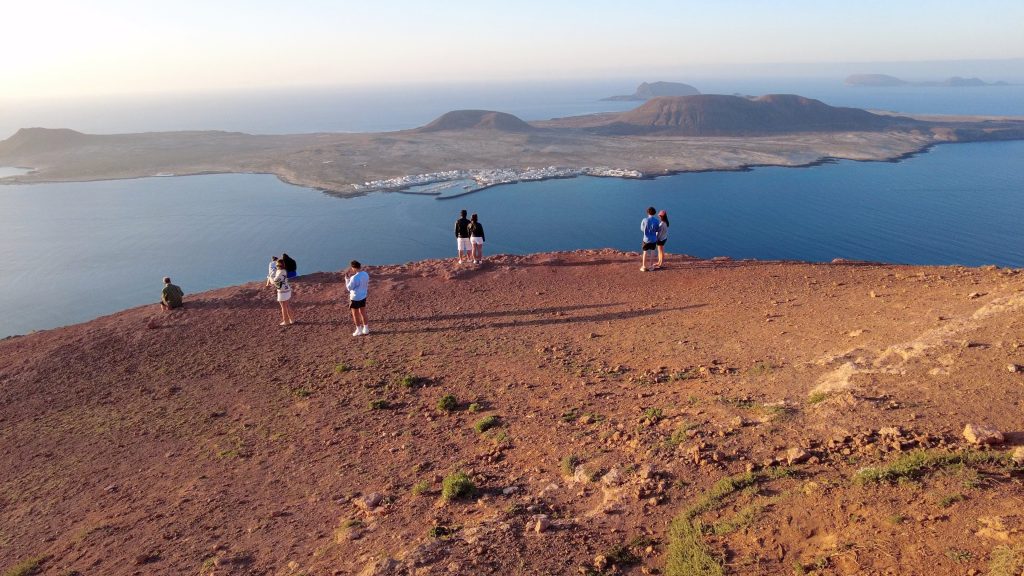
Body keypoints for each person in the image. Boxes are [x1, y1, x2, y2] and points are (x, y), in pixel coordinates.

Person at [345, 260, 370, 336]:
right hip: (363, 296)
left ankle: (358, 330)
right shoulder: (365, 274)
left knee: (355, 314)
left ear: (354, 268)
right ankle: (366, 329)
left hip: (355, 298)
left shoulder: (353, 278)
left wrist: (347, 279)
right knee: (363, 312)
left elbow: (349, 288)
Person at [269, 259, 295, 326]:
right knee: (287, 305)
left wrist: (270, 277)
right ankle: (292, 320)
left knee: (283, 307)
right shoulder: (283, 271)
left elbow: (274, 282)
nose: (276, 266)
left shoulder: (280, 272)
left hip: (282, 292)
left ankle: (286, 321)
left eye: (277, 265)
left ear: (279, 265)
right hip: (287, 290)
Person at [640, 206, 661, 272]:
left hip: (646, 239)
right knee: (652, 252)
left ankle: (643, 266)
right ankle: (651, 266)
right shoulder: (657, 221)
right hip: (653, 239)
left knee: (645, 252)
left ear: (647, 213)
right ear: (654, 213)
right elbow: (658, 229)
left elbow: (642, 229)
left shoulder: (644, 220)